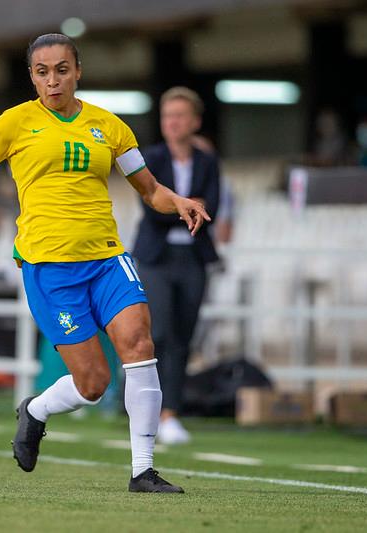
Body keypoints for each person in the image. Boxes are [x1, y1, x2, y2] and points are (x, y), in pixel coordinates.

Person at [0, 34, 210, 493]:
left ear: (78, 72)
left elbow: (150, 190)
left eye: (61, 70)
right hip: (50, 269)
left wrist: (180, 202)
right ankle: (35, 411)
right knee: (92, 382)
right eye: (41, 71)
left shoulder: (109, 127)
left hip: (108, 258)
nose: (52, 80)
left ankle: (142, 470)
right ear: (32, 76)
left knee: (139, 342)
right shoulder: (15, 123)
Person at [132, 87, 220, 445]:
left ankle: (172, 412)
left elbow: (211, 206)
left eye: (180, 115)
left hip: (193, 257)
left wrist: (178, 207)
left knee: (184, 335)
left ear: (194, 121)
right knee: (161, 333)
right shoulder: (150, 157)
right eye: (168, 116)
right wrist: (187, 207)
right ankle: (149, 410)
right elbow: (150, 207)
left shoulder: (208, 161)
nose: (173, 122)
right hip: (157, 257)